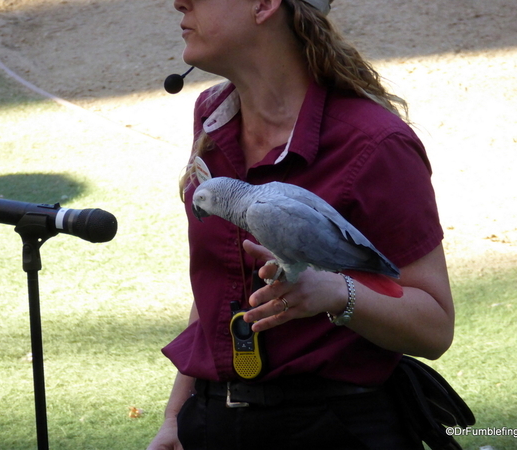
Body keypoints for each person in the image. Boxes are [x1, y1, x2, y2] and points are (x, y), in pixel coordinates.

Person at [147, 0, 455, 447]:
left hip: (333, 427)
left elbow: (434, 327)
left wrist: (336, 293)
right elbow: (216, 292)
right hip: (212, 419)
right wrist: (177, 417)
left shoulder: (373, 142)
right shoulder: (213, 121)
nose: (178, 1)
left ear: (264, 5)